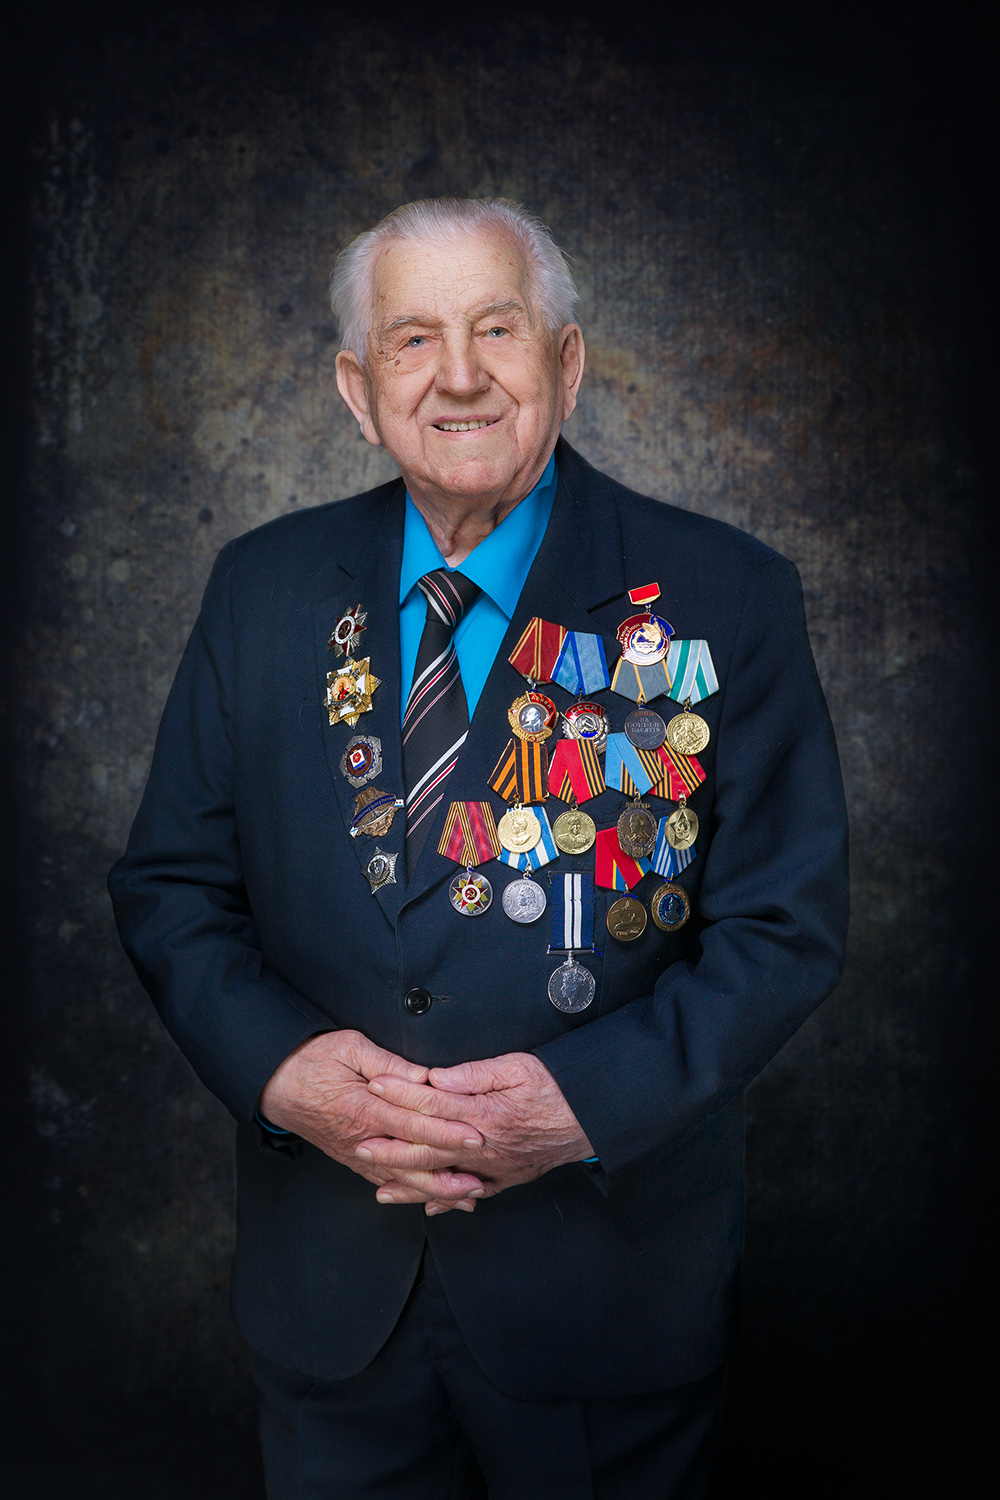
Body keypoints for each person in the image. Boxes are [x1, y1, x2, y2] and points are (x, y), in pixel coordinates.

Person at [108, 197, 849, 1499]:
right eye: (413, 340)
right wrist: (282, 1073)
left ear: (567, 363)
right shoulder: (261, 587)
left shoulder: (722, 595)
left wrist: (584, 1106)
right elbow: (172, 888)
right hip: (332, 1286)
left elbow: (783, 929)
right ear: (359, 391)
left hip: (604, 1289)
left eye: (496, 330)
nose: (458, 376)